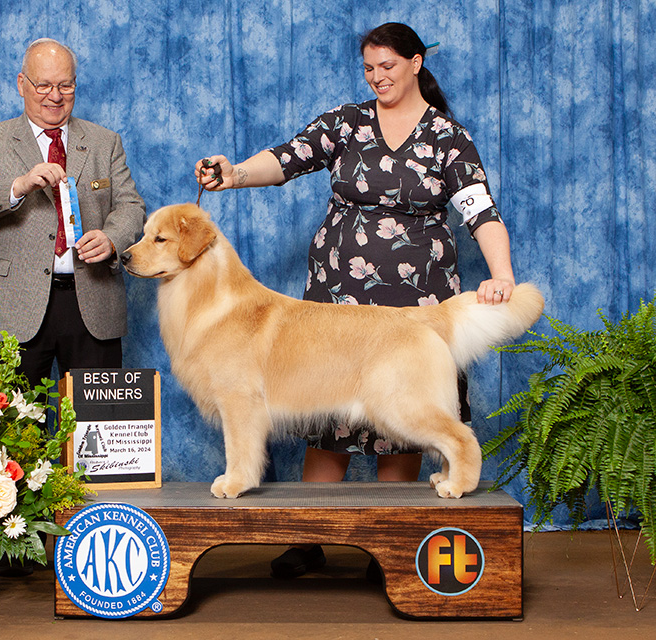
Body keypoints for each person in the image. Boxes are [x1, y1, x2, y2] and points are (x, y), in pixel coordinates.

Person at [195, 22, 516, 579]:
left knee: (404, 422)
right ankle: (308, 539)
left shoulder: (448, 137)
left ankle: (391, 539)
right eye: (369, 68)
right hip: (336, 295)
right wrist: (235, 174)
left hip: (418, 299)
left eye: (387, 66)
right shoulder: (346, 122)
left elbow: (480, 211)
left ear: (416, 63)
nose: (377, 77)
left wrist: (502, 275)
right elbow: (288, 159)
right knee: (326, 416)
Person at [0, 37, 146, 575]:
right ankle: (17, 553)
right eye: (44, 85)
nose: (55, 95)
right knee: (14, 430)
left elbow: (132, 205)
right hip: (15, 306)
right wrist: (17, 184)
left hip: (92, 299)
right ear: (22, 86)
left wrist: (112, 235)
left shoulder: (103, 142)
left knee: (98, 430)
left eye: (65, 85)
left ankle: (97, 544)